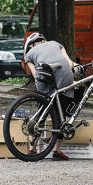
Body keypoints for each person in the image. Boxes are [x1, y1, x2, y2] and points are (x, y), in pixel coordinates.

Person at [23, 32, 78, 160]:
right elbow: (70, 64)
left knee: (42, 113)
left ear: (30, 46)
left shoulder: (29, 54)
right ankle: (57, 151)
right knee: (61, 116)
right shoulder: (56, 44)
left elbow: (36, 75)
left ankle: (32, 149)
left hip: (45, 77)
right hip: (65, 76)